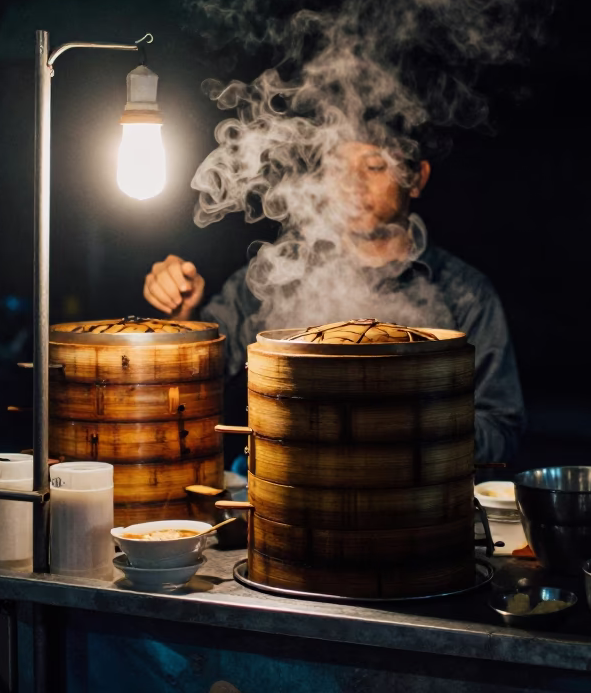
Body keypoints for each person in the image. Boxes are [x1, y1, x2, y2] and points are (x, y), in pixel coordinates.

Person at [142, 141, 526, 470]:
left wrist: (407, 425)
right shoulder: (278, 274)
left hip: (415, 509)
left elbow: (501, 430)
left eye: (374, 166)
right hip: (288, 499)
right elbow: (194, 381)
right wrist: (181, 314)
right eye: (339, 166)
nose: (352, 184)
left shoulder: (465, 293)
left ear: (417, 177)